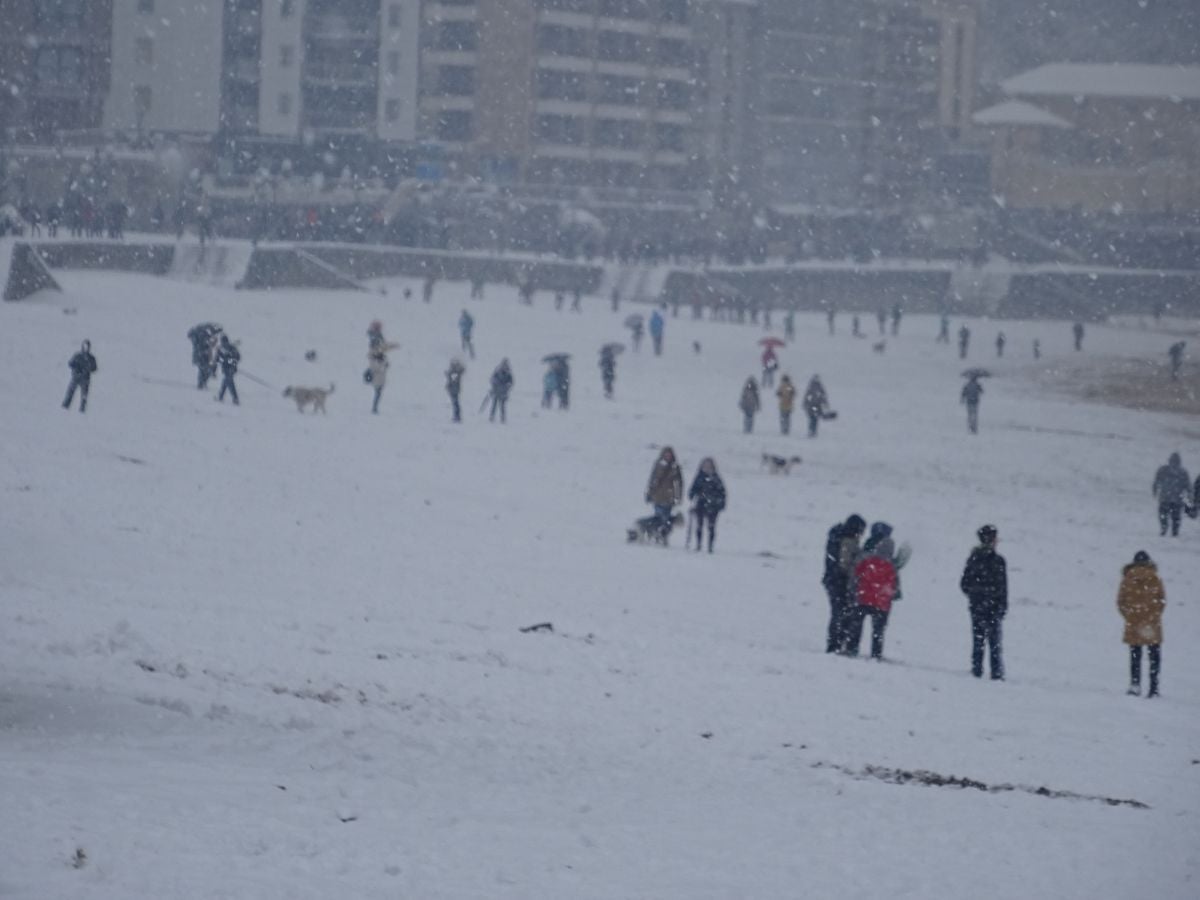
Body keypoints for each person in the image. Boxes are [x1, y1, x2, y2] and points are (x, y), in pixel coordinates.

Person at [846, 523, 900, 659]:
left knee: (857, 626)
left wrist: (853, 590)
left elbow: (855, 576)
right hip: (881, 604)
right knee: (878, 631)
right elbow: (895, 586)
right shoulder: (891, 566)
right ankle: (876, 654)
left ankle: (852, 648)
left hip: (863, 599)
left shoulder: (867, 560)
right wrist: (892, 596)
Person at [960, 524, 1007, 680]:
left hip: (978, 606)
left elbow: (964, 584)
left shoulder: (974, 559)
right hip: (992, 607)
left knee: (978, 640)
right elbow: (1003, 586)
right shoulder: (998, 561)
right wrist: (1000, 603)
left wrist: (975, 595)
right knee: (994, 642)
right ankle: (996, 672)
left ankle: (977, 669)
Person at [1117, 550, 1165, 697]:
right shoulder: (1155, 579)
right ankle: (1154, 687)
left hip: (1134, 622)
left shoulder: (1127, 579)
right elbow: (1162, 600)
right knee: (1154, 656)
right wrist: (1154, 615)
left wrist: (1130, 616)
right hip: (1152, 624)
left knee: (1135, 656)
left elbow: (1121, 602)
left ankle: (1135, 685)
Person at [822, 514, 866, 653]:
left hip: (832, 579)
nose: (861, 535)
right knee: (842, 613)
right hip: (840, 581)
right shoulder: (848, 540)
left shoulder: (836, 537)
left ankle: (834, 644)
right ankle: (836, 644)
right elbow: (845, 565)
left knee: (838, 612)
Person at [645, 446, 683, 543]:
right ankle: (658, 535)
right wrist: (649, 493)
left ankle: (662, 535)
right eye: (666, 454)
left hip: (668, 498)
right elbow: (652, 480)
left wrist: (677, 497)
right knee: (658, 518)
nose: (668, 456)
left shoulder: (675, 467)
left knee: (665, 518)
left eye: (669, 454)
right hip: (657, 496)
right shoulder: (658, 465)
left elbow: (679, 483)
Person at [687, 457, 726, 553]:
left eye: (709, 465)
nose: (707, 467)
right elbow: (693, 489)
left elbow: (722, 492)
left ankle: (710, 546)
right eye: (705, 465)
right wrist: (692, 495)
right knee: (699, 525)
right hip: (701, 503)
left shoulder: (716, 478)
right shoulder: (699, 477)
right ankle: (698, 544)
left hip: (713, 505)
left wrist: (720, 502)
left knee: (711, 526)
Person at [1152, 452, 1190, 537]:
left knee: (1175, 518)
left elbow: (1188, 487)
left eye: (1176, 462)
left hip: (1176, 501)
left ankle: (1174, 532)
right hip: (1166, 499)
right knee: (1163, 516)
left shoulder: (1183, 473)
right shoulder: (1163, 470)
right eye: (1173, 462)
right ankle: (1164, 529)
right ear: (1169, 461)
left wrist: (1189, 498)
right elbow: (1156, 481)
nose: (1174, 464)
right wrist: (1155, 489)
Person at [365, 321, 398, 414]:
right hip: (378, 373)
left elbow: (383, 348)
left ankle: (375, 407)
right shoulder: (375, 342)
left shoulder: (376, 340)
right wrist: (384, 365)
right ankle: (374, 408)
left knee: (378, 390)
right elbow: (379, 351)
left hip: (380, 372)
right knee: (378, 390)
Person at [62, 340, 97, 413]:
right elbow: (70, 363)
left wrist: (89, 368)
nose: (86, 348)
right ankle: (65, 407)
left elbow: (94, 368)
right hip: (75, 377)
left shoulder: (91, 358)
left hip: (85, 379)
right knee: (70, 392)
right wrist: (76, 366)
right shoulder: (77, 355)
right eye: (84, 346)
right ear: (82, 347)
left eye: (87, 347)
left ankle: (82, 410)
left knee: (84, 395)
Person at [187, 323, 221, 389]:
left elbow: (212, 345)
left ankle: (203, 382)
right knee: (202, 369)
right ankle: (200, 383)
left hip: (206, 355)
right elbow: (199, 346)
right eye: (217, 332)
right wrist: (204, 351)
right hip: (200, 355)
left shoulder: (209, 334)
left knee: (207, 369)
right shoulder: (202, 334)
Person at [216, 334, 240, 405]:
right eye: (222, 342)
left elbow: (237, 357)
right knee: (226, 382)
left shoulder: (232, 348)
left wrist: (231, 362)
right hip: (225, 369)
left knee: (229, 382)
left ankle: (235, 398)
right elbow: (217, 359)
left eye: (225, 342)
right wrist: (223, 360)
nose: (223, 343)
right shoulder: (220, 349)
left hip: (231, 369)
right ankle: (220, 396)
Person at [489, 359, 513, 423]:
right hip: (496, 391)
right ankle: (492, 416)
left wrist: (507, 387)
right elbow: (492, 380)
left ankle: (502, 418)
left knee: (502, 406)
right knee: (494, 405)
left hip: (503, 392)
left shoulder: (508, 374)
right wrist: (495, 385)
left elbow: (511, 383)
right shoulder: (497, 371)